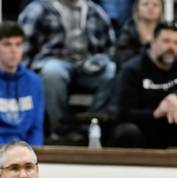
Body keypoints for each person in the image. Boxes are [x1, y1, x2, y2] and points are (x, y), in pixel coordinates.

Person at [18, 0, 116, 139]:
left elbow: (110, 49)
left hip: (87, 66)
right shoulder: (38, 9)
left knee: (110, 70)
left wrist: (100, 60)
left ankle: (89, 126)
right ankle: (60, 130)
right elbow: (23, 48)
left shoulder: (96, 12)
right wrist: (22, 78)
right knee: (53, 72)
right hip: (52, 61)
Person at [113, 21, 177, 149]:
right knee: (127, 132)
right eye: (166, 41)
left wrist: (175, 96)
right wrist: (156, 113)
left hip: (171, 126)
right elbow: (124, 113)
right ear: (153, 41)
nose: (171, 47)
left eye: (176, 43)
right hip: (143, 127)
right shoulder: (132, 69)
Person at [115, 0, 162, 67]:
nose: (151, 7)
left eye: (155, 5)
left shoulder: (165, 32)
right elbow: (123, 61)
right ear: (137, 8)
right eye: (145, 4)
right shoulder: (128, 32)